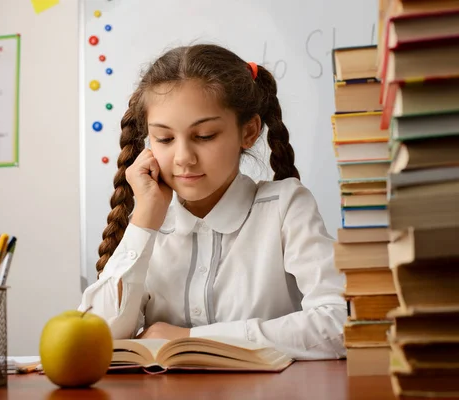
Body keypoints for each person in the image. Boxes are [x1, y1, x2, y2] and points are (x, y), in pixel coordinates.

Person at [78, 44, 346, 360]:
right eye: (164, 139)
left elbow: (342, 323)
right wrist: (144, 220)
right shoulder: (150, 225)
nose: (183, 158)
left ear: (248, 132)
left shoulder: (286, 207)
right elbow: (94, 338)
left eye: (204, 136)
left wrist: (191, 339)